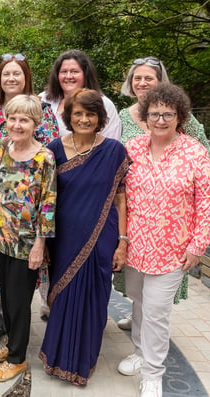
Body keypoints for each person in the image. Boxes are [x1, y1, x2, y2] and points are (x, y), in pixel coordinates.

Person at [117, 83, 210, 397]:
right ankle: (142, 354)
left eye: (167, 114)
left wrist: (198, 244)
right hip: (135, 247)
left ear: (179, 116)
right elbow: (117, 194)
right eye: (154, 113)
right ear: (145, 116)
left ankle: (154, 373)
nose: (160, 119)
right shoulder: (132, 148)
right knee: (140, 303)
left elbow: (205, 201)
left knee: (157, 310)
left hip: (172, 249)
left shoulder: (194, 153)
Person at [39, 89, 130, 385]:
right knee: (63, 296)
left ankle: (82, 361)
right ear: (69, 116)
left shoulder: (114, 151)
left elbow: (119, 199)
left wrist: (122, 241)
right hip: (63, 238)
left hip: (101, 239)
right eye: (78, 113)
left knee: (94, 296)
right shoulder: (53, 149)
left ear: (100, 118)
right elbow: (46, 198)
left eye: (90, 114)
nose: (84, 119)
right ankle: (56, 357)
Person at [0, 53, 58, 309]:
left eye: (17, 73)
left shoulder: (41, 109)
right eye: (6, 73)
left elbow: (50, 153)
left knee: (23, 257)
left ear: (26, 77)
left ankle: (17, 315)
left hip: (27, 200)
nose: (11, 78)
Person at [0, 94, 56, 382]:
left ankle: (17, 358)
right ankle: (11, 344)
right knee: (6, 295)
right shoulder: (5, 146)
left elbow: (48, 204)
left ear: (35, 123)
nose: (17, 124)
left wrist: (40, 245)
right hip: (1, 235)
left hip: (27, 242)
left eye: (23, 119)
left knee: (19, 301)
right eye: (13, 118)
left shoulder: (44, 157)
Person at [40, 49, 121, 140]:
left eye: (74, 71)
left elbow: (112, 141)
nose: (69, 76)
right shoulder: (44, 99)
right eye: (64, 72)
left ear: (86, 75)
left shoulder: (104, 104)